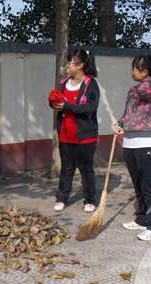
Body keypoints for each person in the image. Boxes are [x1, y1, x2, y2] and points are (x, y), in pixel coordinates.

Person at [112, 55, 151, 241]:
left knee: (148, 186)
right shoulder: (134, 89)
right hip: (130, 142)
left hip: (146, 144)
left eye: (136, 68)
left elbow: (147, 90)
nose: (133, 72)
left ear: (146, 71)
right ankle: (142, 219)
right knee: (137, 185)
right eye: (134, 68)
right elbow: (129, 113)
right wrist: (119, 122)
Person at [50, 49, 100, 213]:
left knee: (86, 169)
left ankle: (90, 199)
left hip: (85, 135)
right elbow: (57, 101)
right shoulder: (63, 83)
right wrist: (53, 102)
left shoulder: (90, 84)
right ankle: (61, 198)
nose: (67, 65)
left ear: (80, 65)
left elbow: (91, 107)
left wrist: (68, 106)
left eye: (70, 62)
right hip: (65, 133)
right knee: (67, 168)